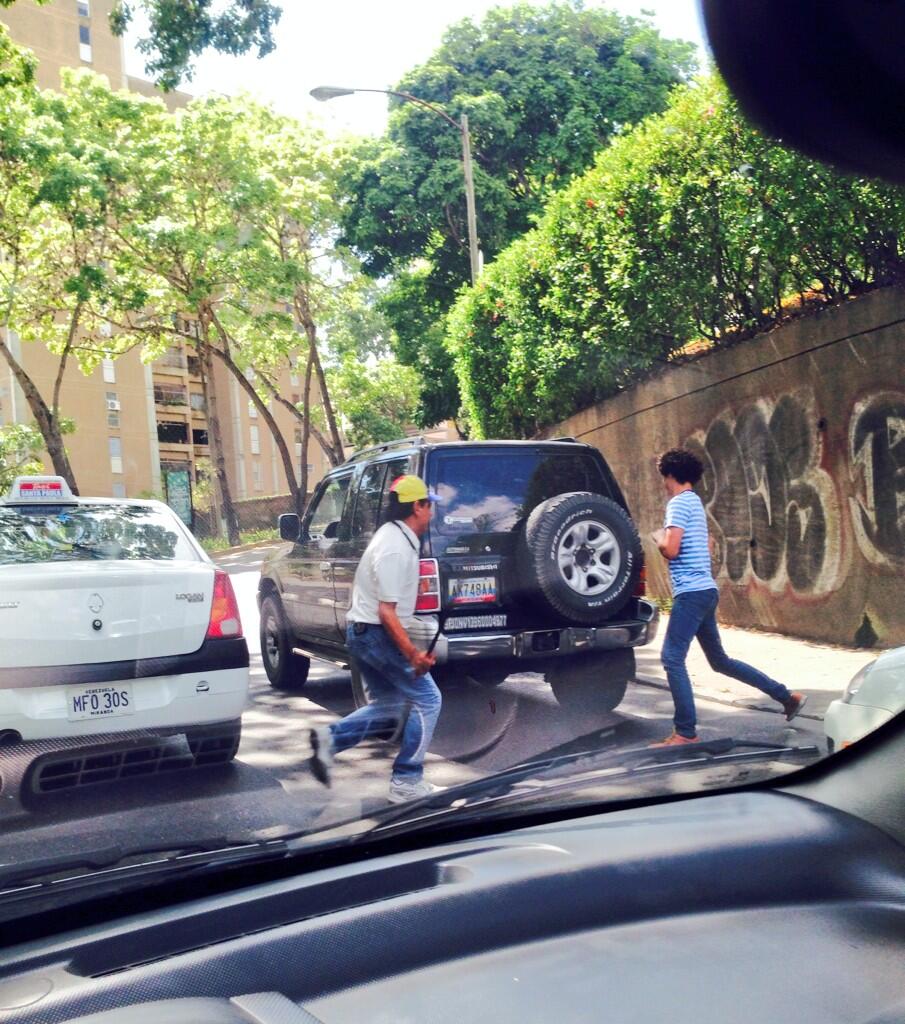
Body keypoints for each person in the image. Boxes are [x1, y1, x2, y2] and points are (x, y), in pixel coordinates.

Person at [650, 448, 807, 746]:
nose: (663, 483)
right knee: (720, 661)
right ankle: (787, 697)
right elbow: (706, 545)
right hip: (706, 590)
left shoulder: (678, 504)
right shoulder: (695, 503)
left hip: (692, 593)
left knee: (671, 658)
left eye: (663, 477)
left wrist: (659, 539)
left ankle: (685, 732)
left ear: (670, 475)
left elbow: (671, 549)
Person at [308, 474, 444, 803]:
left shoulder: (394, 535)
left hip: (365, 633)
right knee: (429, 700)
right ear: (417, 507)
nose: (432, 512)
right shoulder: (395, 547)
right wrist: (413, 655)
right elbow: (386, 613)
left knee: (390, 705)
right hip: (374, 634)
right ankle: (406, 781)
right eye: (429, 506)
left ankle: (331, 740)